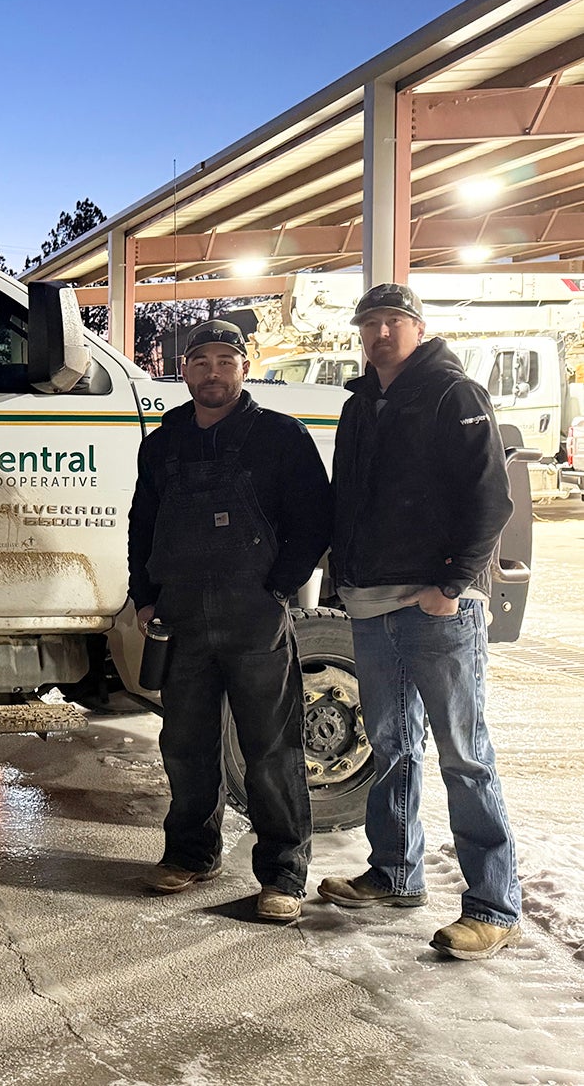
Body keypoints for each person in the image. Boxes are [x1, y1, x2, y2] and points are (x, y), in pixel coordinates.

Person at [318, 283, 521, 960]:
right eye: (370, 322)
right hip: (373, 605)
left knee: (465, 757)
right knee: (391, 745)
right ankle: (395, 872)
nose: (380, 332)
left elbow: (490, 497)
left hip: (435, 607)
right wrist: (339, 576)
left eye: (392, 321)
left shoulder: (451, 394)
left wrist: (452, 583)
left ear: (418, 327)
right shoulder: (358, 406)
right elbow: (345, 498)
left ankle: (494, 905)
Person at [127, 319, 331, 921]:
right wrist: (145, 594)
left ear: (244, 367)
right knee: (186, 746)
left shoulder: (280, 437)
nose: (212, 372)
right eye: (200, 362)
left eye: (225, 360)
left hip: (253, 615)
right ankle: (191, 854)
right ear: (184, 370)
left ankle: (283, 876)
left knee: (270, 750)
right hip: (181, 613)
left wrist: (277, 584)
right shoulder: (164, 442)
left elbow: (315, 520)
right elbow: (143, 521)